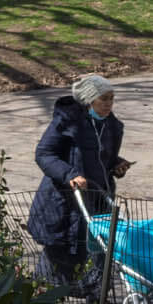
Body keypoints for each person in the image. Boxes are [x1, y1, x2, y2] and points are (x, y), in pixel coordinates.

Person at [26, 74, 131, 290]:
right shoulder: (68, 122)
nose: (109, 104)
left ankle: (95, 298)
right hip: (65, 199)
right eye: (103, 99)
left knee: (99, 248)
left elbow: (103, 159)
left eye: (112, 98)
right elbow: (44, 154)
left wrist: (117, 165)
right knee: (62, 251)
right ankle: (46, 298)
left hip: (99, 197)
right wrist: (69, 174)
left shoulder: (110, 125)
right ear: (89, 100)